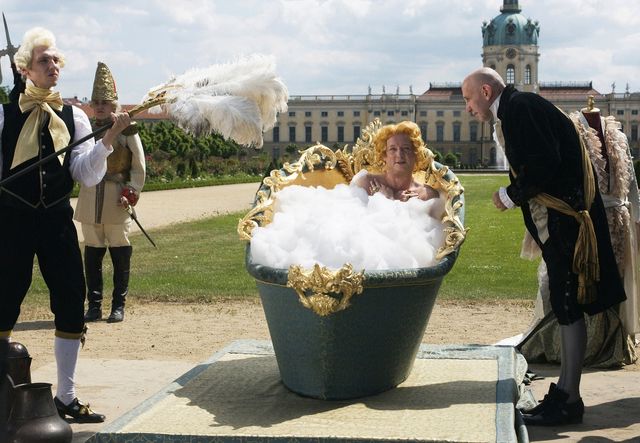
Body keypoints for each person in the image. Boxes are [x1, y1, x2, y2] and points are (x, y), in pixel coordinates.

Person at [462, 67, 626, 426]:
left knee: (567, 304)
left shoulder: (520, 108)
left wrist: (510, 194)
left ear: (486, 92)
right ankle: (566, 392)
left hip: (567, 222)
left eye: (469, 99)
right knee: (565, 304)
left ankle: (569, 399)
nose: (468, 108)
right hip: (567, 219)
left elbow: (545, 163)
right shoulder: (518, 107)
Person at [0, 27, 131, 423]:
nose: (53, 65)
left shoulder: (73, 116)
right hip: (12, 219)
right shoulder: (4, 115)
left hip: (56, 219)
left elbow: (86, 174)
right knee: (4, 300)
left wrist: (109, 138)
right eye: (44, 60)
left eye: (56, 59)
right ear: (25, 69)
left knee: (72, 300)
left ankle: (67, 397)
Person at [516, 99, 640, 368]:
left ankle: (609, 343)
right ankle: (574, 346)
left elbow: (631, 184)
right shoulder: (570, 130)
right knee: (576, 280)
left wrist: (637, 219)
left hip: (618, 221)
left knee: (615, 280)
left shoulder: (618, 137)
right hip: (583, 221)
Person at [74, 62, 146, 323]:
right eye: (96, 102)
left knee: (119, 251)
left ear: (113, 104)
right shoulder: (85, 128)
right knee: (92, 253)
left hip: (117, 198)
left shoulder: (126, 129)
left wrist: (132, 190)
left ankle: (118, 305)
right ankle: (94, 306)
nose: (100, 106)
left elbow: (138, 164)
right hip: (90, 197)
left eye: (105, 102)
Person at [352, 121, 439, 202]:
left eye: (406, 148)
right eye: (393, 149)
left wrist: (390, 200)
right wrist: (382, 200)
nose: (399, 154)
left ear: (415, 154)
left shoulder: (427, 196)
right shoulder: (365, 184)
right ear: (384, 155)